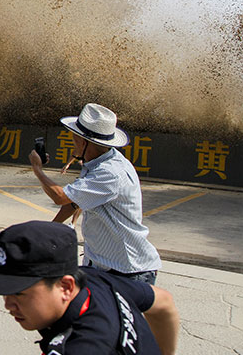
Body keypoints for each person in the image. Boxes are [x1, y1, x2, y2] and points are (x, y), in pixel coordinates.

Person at [0, 220, 181, 355]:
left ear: (65, 287)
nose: (8, 305)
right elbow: (164, 301)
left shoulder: (79, 354)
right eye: (5, 292)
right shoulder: (96, 281)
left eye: (19, 293)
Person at [31, 103, 161, 284]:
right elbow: (74, 202)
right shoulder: (98, 163)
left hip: (127, 272)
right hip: (101, 267)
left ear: (84, 142)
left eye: (74, 138)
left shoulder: (109, 173)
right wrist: (48, 233)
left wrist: (38, 169)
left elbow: (60, 197)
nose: (72, 142)